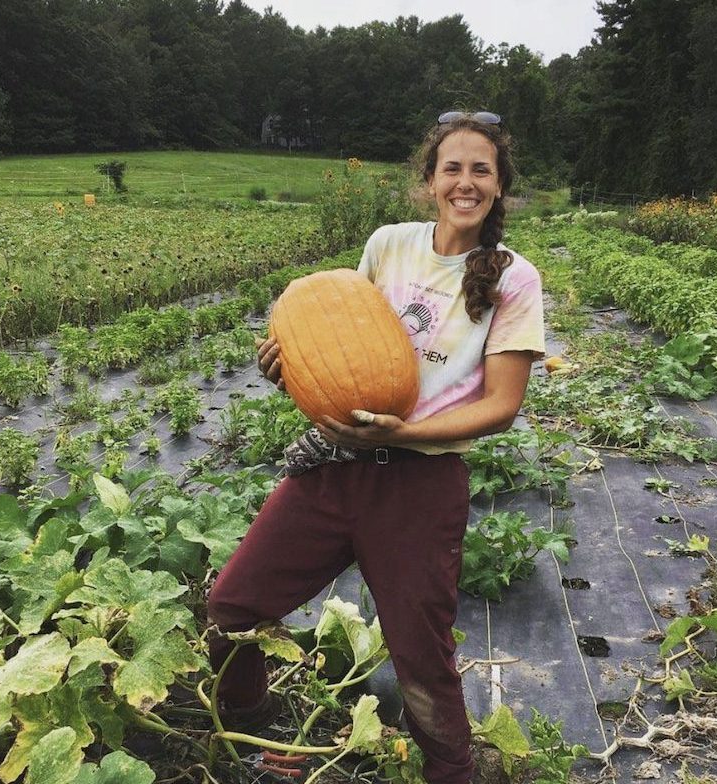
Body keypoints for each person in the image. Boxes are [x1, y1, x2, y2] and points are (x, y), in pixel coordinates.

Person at [207, 111, 545, 784]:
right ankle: (252, 722)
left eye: (482, 169)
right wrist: (290, 370)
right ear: (429, 182)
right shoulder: (390, 245)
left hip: (420, 485)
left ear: (500, 186)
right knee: (233, 608)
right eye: (453, 168)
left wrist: (404, 432)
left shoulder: (515, 278)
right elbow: (337, 344)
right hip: (334, 468)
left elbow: (502, 407)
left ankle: (452, 772)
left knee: (421, 656)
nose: (466, 181)